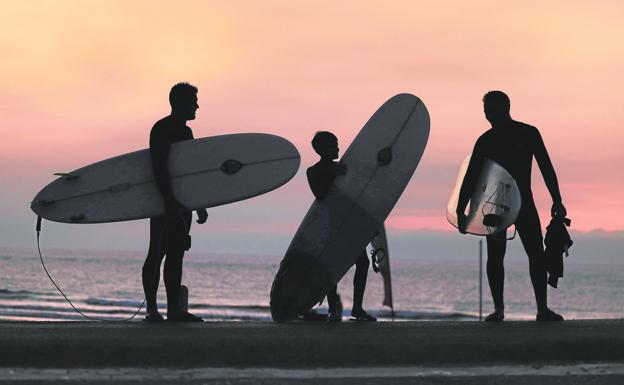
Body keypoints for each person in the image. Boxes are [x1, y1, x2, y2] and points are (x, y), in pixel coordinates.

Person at [456, 91, 567, 322]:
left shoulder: (528, 133)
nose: (487, 114)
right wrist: (460, 209)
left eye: (490, 109)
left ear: (505, 107)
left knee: (536, 255)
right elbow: (470, 176)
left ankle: (542, 309)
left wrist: (557, 199)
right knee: (495, 257)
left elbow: (546, 166)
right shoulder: (485, 140)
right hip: (495, 208)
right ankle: (498, 310)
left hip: (524, 204)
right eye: (485, 110)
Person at [142, 82, 208, 322]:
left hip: (183, 205)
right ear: (178, 102)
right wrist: (168, 202)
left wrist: (199, 203)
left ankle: (174, 310)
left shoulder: (186, 132)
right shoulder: (161, 128)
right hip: (163, 202)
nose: (197, 106)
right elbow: (159, 168)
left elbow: (189, 172)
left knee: (177, 253)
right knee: (156, 253)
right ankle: (152, 309)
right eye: (193, 101)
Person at [306, 131, 376, 322]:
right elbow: (320, 195)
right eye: (333, 145)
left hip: (351, 223)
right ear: (320, 149)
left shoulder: (344, 167)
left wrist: (370, 224)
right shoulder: (313, 171)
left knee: (362, 263)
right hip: (331, 225)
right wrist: (333, 175)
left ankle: (357, 309)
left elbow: (358, 195)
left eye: (337, 144)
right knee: (331, 267)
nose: (338, 148)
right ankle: (333, 311)